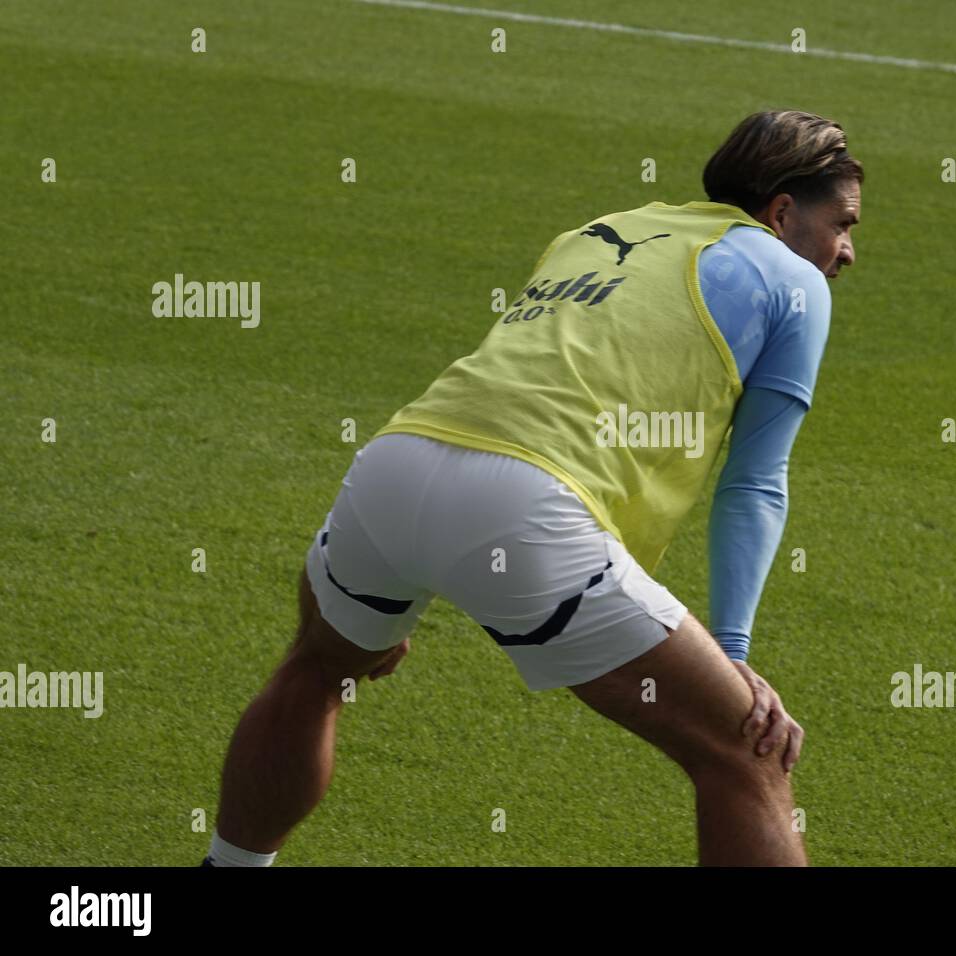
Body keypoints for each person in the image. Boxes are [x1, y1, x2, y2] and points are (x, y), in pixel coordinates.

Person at [205, 109, 861, 867]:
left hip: (398, 463)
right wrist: (735, 652)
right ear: (782, 212)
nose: (847, 252)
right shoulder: (794, 282)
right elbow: (755, 482)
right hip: (528, 511)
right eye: (842, 224)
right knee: (748, 752)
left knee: (318, 670)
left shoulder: (603, 228)